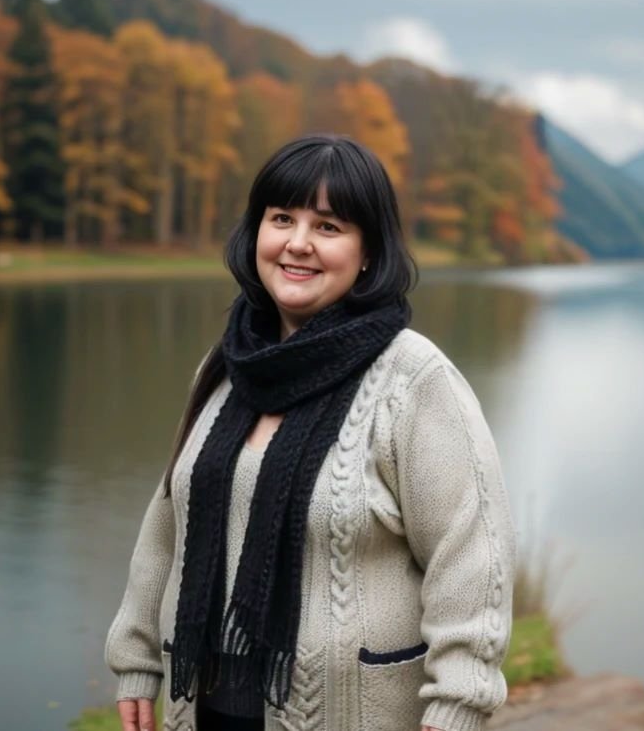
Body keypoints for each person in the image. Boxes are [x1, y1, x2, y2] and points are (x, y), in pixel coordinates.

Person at [105, 134, 516, 731]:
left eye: (328, 226)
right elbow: (169, 524)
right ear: (256, 234)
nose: (298, 243)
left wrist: (459, 701)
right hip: (203, 709)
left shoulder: (413, 380)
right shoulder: (224, 368)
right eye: (281, 219)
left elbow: (471, 554)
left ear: (368, 251)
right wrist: (136, 658)